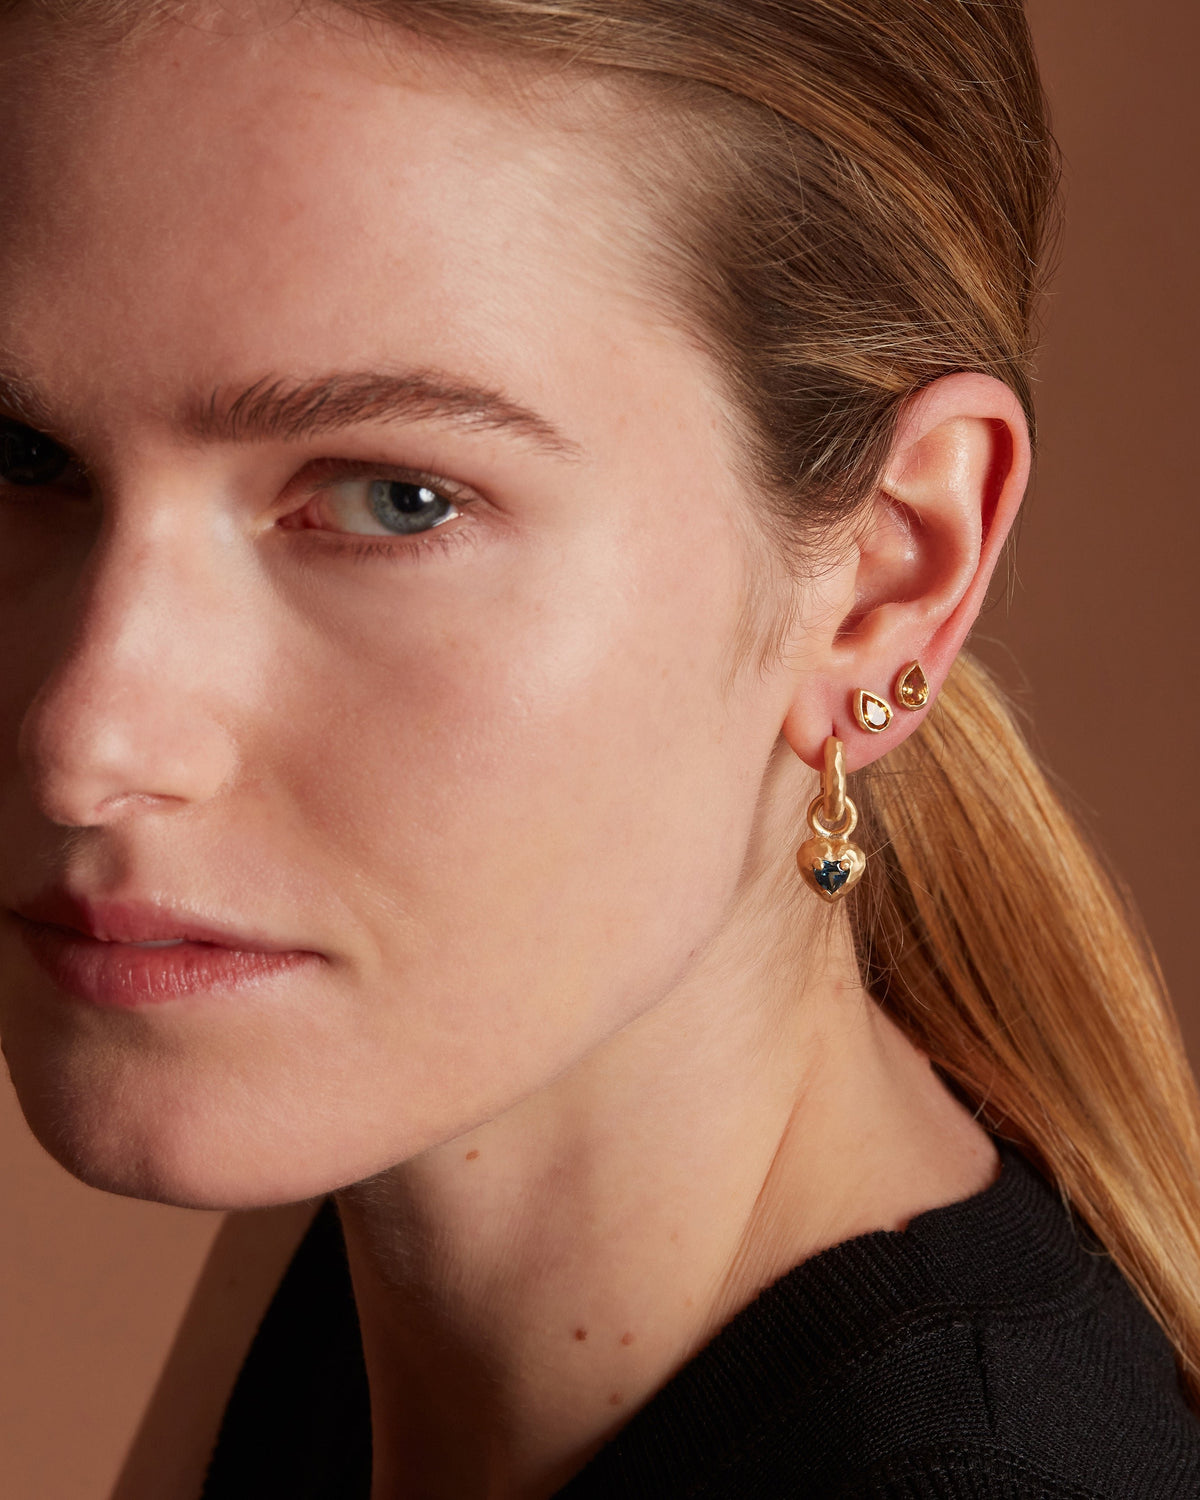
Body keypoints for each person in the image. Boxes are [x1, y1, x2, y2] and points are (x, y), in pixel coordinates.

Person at [0, 1, 1197, 1495]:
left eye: (393, 500)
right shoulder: (384, 1125)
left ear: (886, 581)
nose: (84, 738)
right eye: (19, 454)